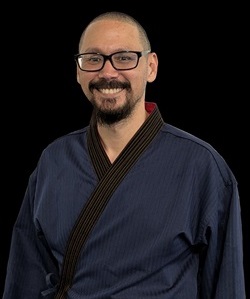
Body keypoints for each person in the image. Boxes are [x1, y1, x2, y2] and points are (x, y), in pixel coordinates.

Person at [2, 11, 246, 299]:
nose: (107, 72)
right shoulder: (53, 161)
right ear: (78, 71)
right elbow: (24, 278)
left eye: (124, 57)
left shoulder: (201, 166)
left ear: (151, 67)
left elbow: (226, 286)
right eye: (93, 59)